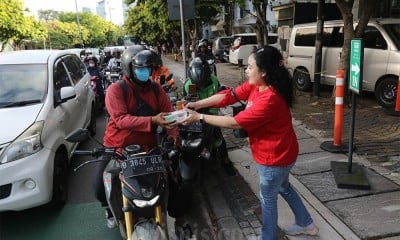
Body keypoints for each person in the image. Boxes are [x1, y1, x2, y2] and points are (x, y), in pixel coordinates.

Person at [182, 46, 318, 240]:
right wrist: (198, 104)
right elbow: (229, 96)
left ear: (263, 71)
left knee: (267, 200)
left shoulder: (270, 98)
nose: (246, 70)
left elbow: (235, 122)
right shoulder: (257, 84)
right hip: (283, 152)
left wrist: (199, 117)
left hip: (274, 157)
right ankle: (307, 223)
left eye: (250, 66)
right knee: (284, 187)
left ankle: (267, 237)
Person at [97, 45, 192, 239]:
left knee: (173, 184)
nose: (145, 72)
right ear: (128, 68)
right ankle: (109, 208)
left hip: (149, 147)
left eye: (148, 68)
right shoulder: (116, 90)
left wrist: (173, 133)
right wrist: (153, 120)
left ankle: (181, 222)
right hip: (117, 147)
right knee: (98, 187)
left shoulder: (156, 89)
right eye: (140, 68)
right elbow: (120, 119)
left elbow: (169, 116)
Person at [183, 57, 236, 176]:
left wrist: (210, 116)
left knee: (218, 138)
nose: (201, 87)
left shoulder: (214, 81)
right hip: (195, 115)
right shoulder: (190, 85)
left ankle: (225, 161)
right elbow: (189, 104)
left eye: (203, 84)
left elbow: (217, 99)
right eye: (198, 85)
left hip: (211, 113)